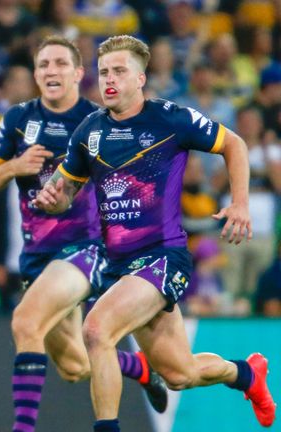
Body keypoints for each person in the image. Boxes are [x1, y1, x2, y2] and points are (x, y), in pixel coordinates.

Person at [35, 35, 276, 431]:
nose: (109, 79)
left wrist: (241, 203)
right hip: (120, 269)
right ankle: (246, 374)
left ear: (141, 78)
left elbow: (234, 144)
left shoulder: (171, 119)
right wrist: (52, 199)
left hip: (163, 257)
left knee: (96, 330)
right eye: (104, 72)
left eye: (119, 71)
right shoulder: (89, 132)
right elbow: (64, 194)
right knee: (180, 373)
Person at [0, 36, 167, 432]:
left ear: (79, 73)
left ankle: (22, 429)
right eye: (43, 65)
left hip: (86, 248)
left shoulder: (101, 121)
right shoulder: (18, 121)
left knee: (26, 322)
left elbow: (136, 188)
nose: (51, 71)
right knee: (76, 366)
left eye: (61, 63)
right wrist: (15, 166)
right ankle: (140, 367)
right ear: (35, 74)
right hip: (37, 256)